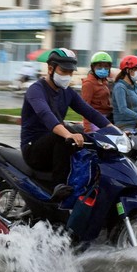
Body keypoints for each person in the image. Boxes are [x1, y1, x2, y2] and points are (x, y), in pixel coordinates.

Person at [20, 48, 111, 201]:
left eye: (71, 72)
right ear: (50, 68)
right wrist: (68, 134)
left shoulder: (66, 92)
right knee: (66, 134)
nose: (68, 76)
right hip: (33, 149)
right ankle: (58, 187)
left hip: (54, 146)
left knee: (85, 137)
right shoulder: (36, 90)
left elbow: (90, 112)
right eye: (64, 71)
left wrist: (114, 130)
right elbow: (45, 114)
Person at [80, 51, 114, 132]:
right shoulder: (88, 84)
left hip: (107, 118)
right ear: (93, 67)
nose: (103, 69)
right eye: (99, 66)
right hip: (95, 120)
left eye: (106, 67)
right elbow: (85, 108)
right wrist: (88, 129)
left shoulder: (104, 82)